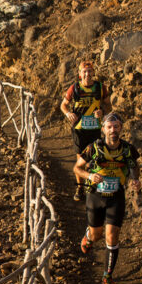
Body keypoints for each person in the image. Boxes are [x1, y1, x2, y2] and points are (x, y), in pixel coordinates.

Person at [73, 113, 141, 284]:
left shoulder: (128, 149)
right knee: (97, 235)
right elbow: (77, 168)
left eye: (116, 126)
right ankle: (88, 236)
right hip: (95, 196)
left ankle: (107, 277)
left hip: (116, 196)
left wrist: (135, 179)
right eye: (109, 127)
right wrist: (90, 176)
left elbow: (134, 165)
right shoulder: (93, 148)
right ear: (103, 129)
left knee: (112, 236)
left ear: (121, 128)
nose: (113, 130)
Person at [61, 60, 112, 201]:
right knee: (81, 160)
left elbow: (109, 107)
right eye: (84, 71)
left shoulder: (101, 88)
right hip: (79, 130)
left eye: (90, 71)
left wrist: (102, 111)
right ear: (80, 74)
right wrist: (68, 114)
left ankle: (93, 187)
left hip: (95, 128)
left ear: (93, 73)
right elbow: (63, 105)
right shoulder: (74, 88)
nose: (87, 74)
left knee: (94, 158)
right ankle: (80, 187)